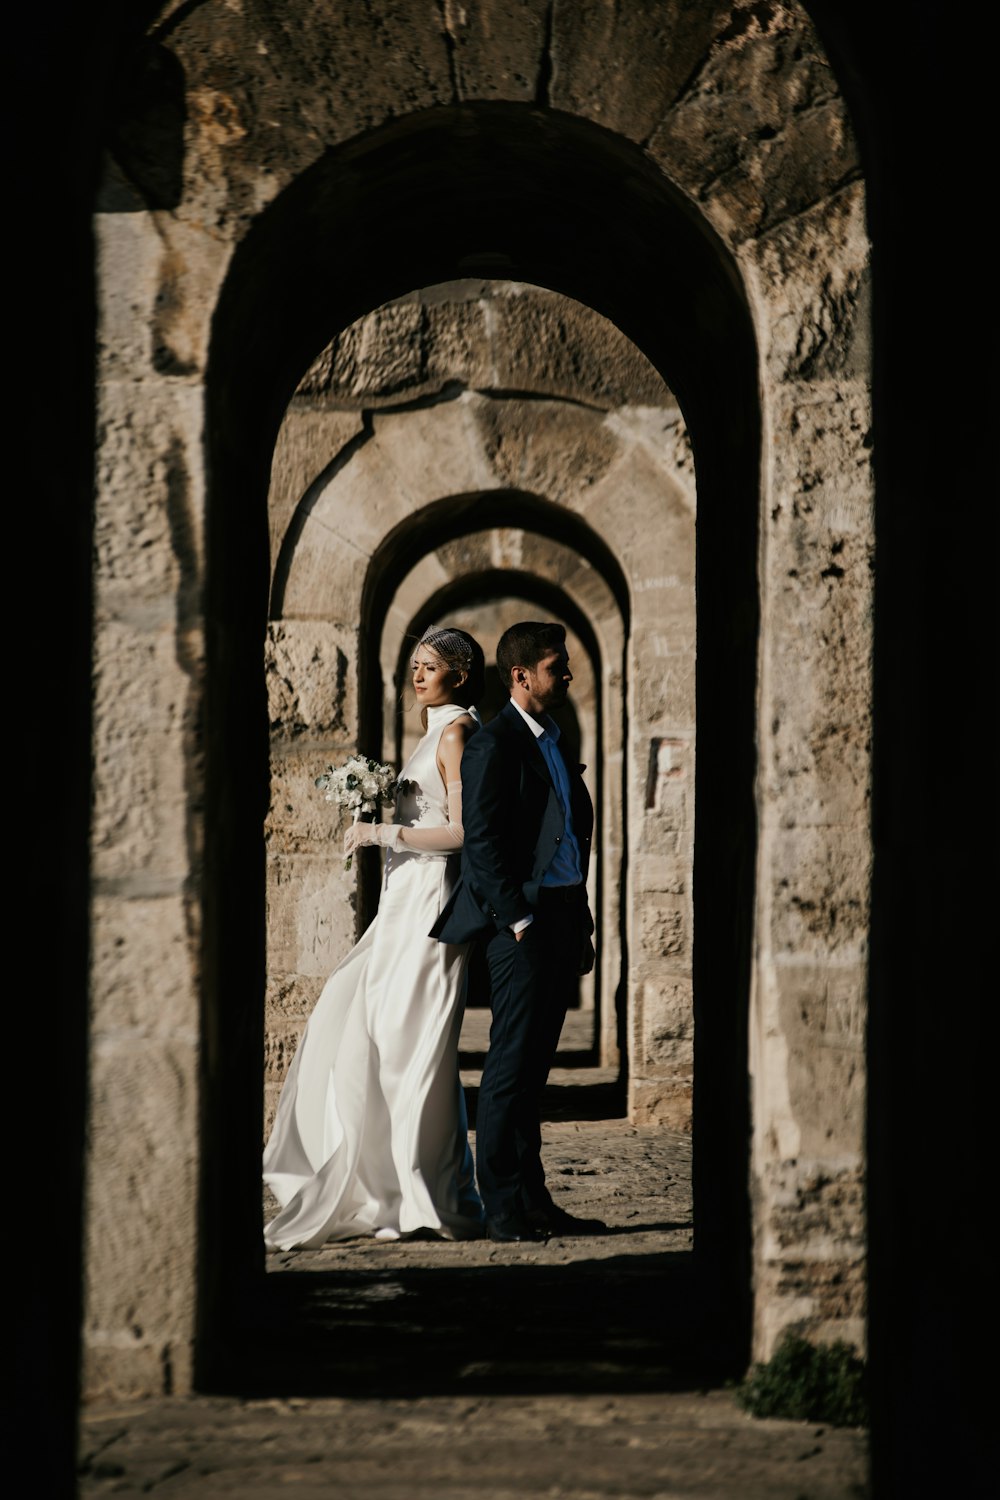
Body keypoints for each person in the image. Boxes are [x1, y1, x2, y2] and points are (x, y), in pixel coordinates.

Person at [263, 627, 487, 1248]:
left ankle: (419, 1191)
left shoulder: (457, 734)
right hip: (401, 901)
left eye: (431, 667)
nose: (418, 676)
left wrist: (383, 836)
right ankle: (379, 1177)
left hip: (430, 904)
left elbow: (465, 833)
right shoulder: (431, 731)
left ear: (459, 676)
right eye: (414, 666)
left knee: (409, 1038)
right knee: (358, 1015)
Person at [432, 621, 606, 1242]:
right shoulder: (494, 744)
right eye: (557, 666)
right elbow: (480, 844)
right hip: (523, 927)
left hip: (561, 916)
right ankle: (502, 1206)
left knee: (535, 1069)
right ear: (521, 675)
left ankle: (535, 1201)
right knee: (509, 1067)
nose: (567, 675)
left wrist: (577, 920)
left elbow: (567, 840)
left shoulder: (553, 741)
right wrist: (521, 919)